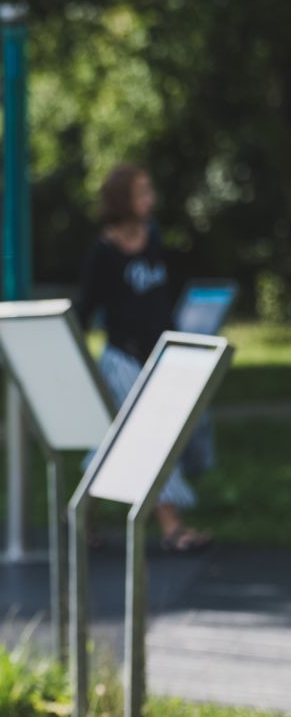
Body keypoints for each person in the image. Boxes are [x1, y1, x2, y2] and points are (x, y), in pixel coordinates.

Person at [76, 163, 214, 552]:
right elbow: (84, 311)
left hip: (161, 357)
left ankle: (81, 517)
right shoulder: (103, 253)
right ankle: (172, 526)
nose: (150, 199)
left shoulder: (154, 239)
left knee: (114, 444)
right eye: (142, 192)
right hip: (123, 360)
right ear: (124, 200)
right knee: (150, 438)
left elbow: (164, 297)